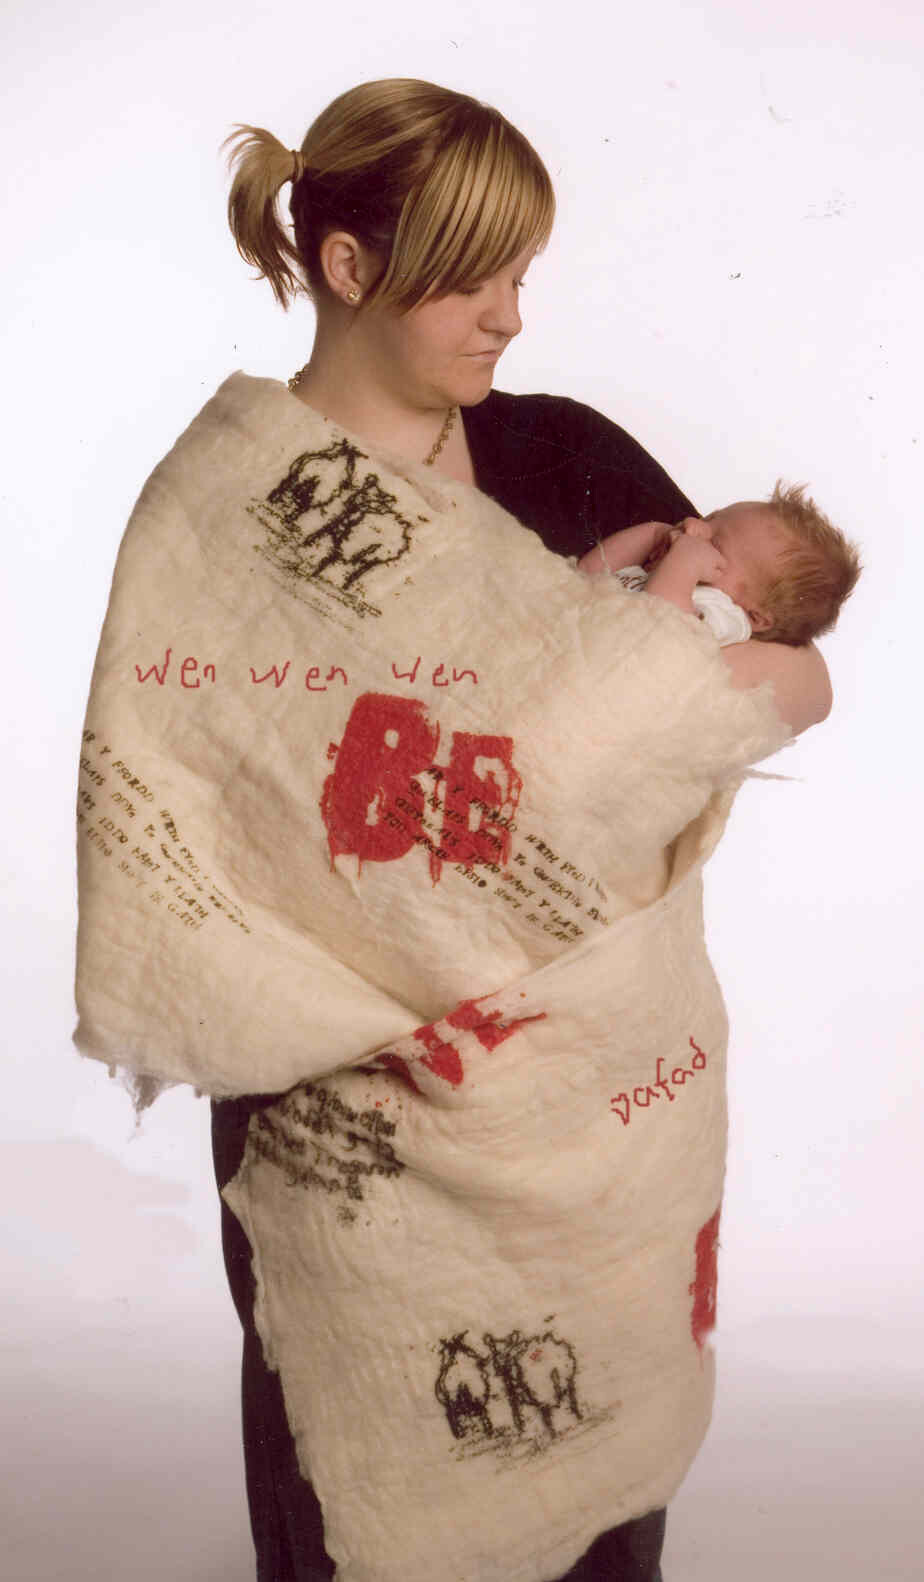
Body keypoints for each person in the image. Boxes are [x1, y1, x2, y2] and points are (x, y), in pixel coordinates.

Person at [77, 78, 833, 1582]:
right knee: (369, 1501)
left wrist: (675, 694)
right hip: (350, 1131)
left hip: (588, 1118)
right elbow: (187, 812)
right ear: (350, 266)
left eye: (522, 275)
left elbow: (794, 668)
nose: (511, 317)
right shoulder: (219, 511)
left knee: (597, 1508)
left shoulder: (564, 454)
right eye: (473, 277)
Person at [578, 489, 860, 648]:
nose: (692, 525)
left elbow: (659, 629)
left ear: (755, 616)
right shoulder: (669, 572)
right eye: (708, 518)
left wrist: (683, 561)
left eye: (715, 542)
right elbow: (587, 571)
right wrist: (654, 534)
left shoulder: (725, 616)